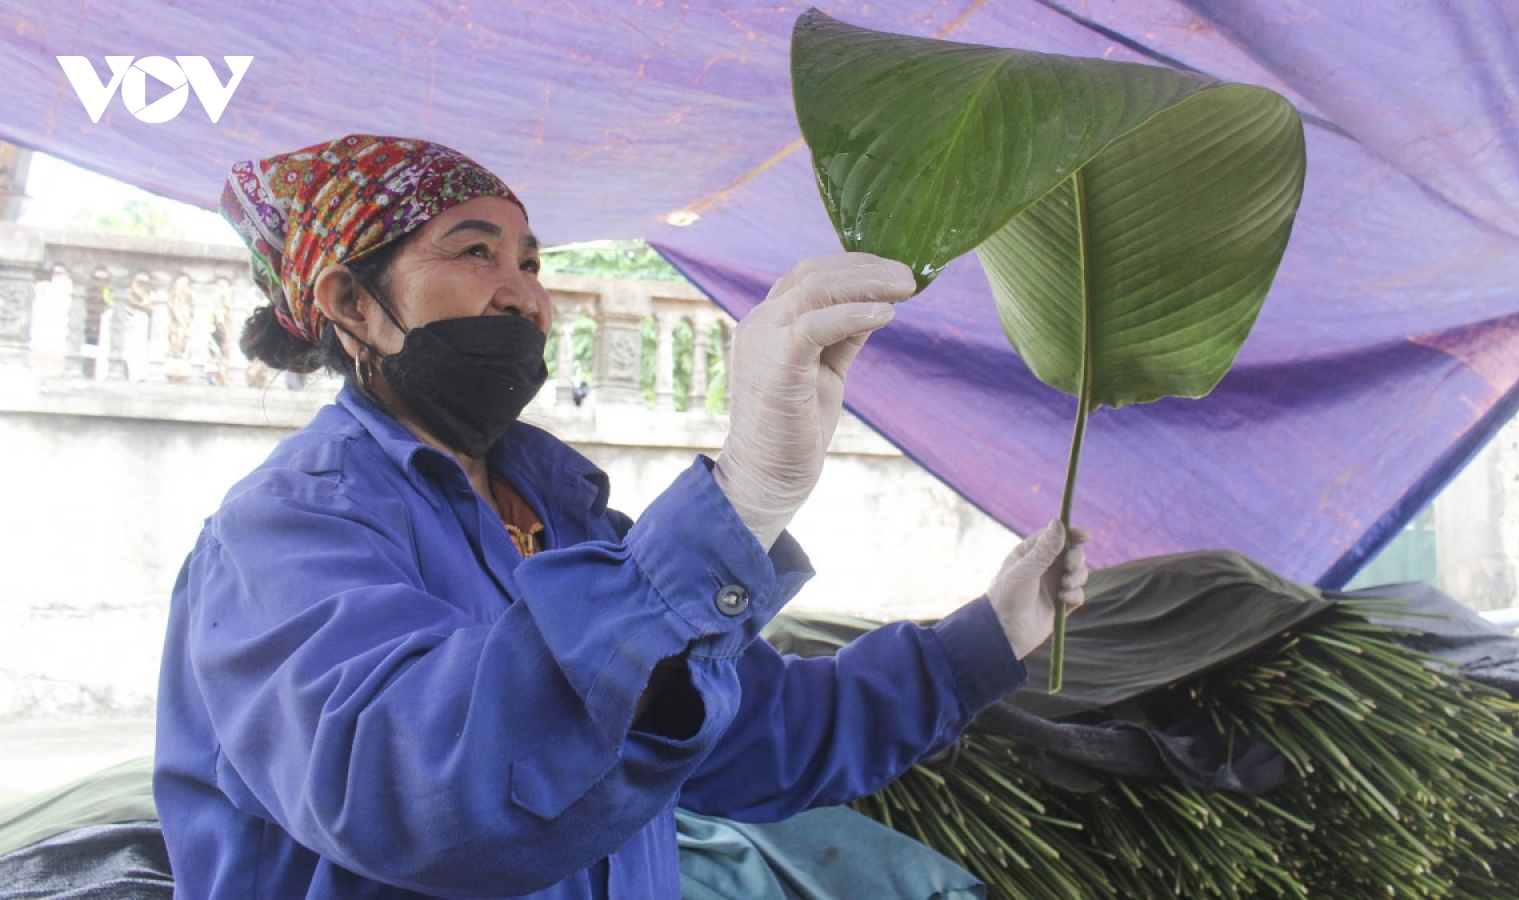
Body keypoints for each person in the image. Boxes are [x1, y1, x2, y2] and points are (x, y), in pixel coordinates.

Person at [153, 134, 1089, 899]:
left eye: (529, 260)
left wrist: (991, 635)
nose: (522, 291)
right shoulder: (285, 530)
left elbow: (754, 736)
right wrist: (737, 500)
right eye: (474, 251)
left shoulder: (566, 518)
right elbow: (420, 791)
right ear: (351, 304)